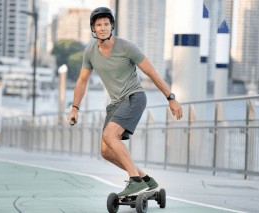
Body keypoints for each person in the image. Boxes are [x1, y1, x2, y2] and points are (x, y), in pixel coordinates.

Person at [67, 7, 183, 199]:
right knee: (106, 151)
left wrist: (171, 98)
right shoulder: (90, 52)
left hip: (134, 97)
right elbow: (82, 81)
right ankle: (146, 180)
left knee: (109, 135)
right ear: (93, 29)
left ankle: (134, 182)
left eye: (106, 24)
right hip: (116, 104)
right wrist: (74, 109)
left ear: (111, 26)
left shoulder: (127, 47)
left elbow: (151, 72)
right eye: (98, 25)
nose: (103, 28)